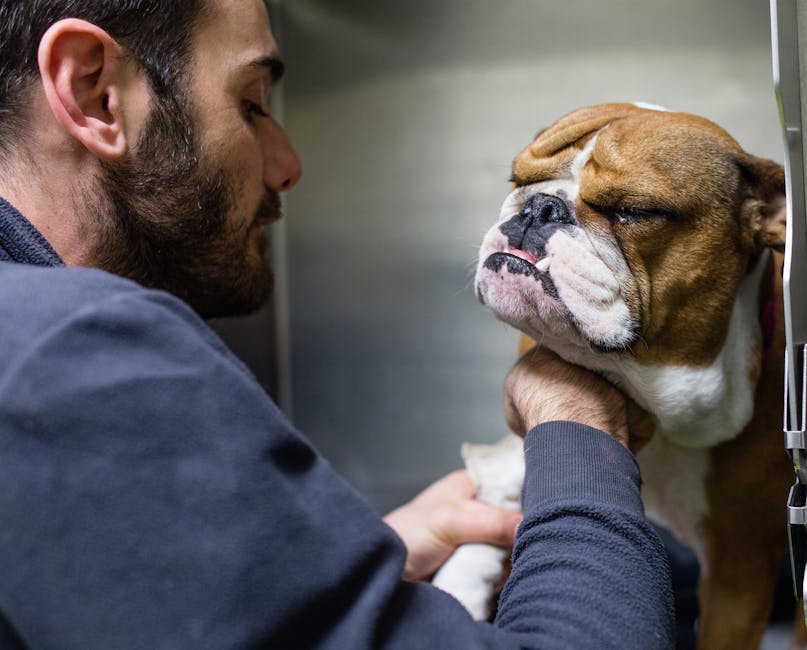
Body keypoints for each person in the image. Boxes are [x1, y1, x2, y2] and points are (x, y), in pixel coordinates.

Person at [0, 1, 675, 647]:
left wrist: (328, 582)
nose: (288, 166)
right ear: (95, 90)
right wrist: (575, 420)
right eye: (251, 104)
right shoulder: (71, 351)